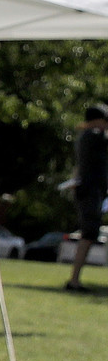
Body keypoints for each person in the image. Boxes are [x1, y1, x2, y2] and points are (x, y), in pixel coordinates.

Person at [66, 103, 108, 290]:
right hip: (91, 192)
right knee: (89, 234)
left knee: (89, 234)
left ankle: (75, 279)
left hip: (90, 191)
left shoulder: (86, 137)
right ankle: (74, 280)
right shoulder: (94, 136)